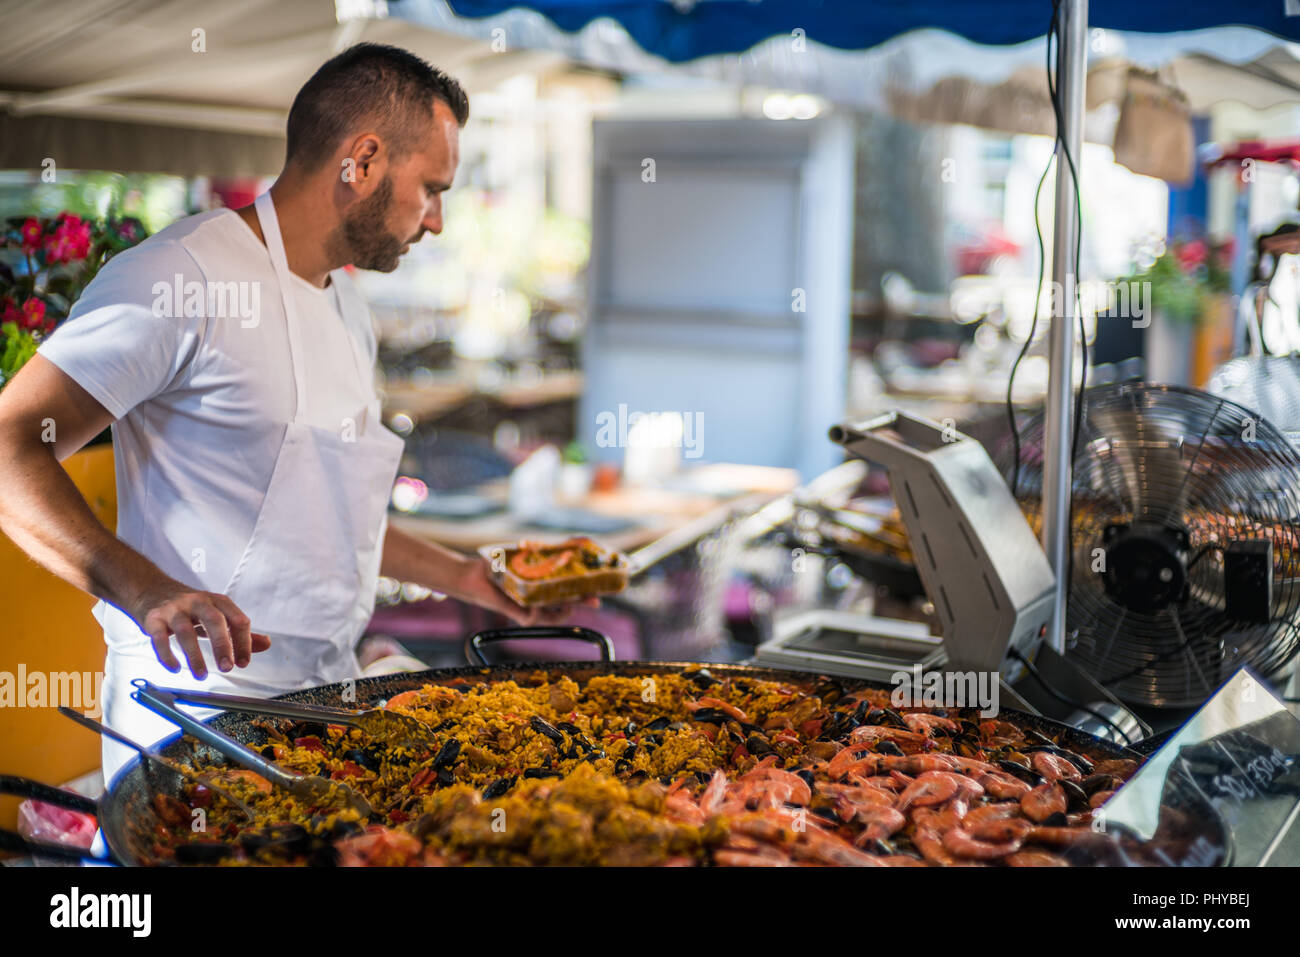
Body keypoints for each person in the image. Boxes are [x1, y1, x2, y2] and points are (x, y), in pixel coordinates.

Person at [0, 43, 585, 779]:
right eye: (431, 188)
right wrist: (144, 588)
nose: (435, 220)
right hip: (195, 719)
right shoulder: (181, 275)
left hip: (323, 707)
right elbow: (9, 442)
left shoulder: (347, 303)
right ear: (363, 161)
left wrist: (466, 577)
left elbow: (325, 507)